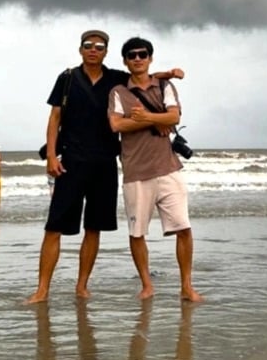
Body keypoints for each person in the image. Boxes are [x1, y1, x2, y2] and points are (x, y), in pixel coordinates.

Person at [25, 29, 184, 304]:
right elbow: (54, 118)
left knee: (94, 228)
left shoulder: (115, 78)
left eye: (99, 46)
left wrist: (166, 74)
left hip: (105, 163)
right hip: (71, 162)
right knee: (54, 227)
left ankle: (82, 286)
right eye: (88, 45)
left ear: (106, 52)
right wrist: (51, 156)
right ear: (80, 49)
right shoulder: (67, 78)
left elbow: (142, 77)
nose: (93, 50)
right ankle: (42, 290)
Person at [108, 36, 202, 302]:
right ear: (125, 61)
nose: (137, 58)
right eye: (132, 55)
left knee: (183, 229)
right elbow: (116, 125)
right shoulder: (118, 92)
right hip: (136, 173)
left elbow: (174, 117)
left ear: (150, 58)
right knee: (137, 233)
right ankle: (147, 285)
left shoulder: (164, 86)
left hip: (169, 169)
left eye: (143, 54)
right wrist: (152, 121)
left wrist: (145, 117)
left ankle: (186, 286)